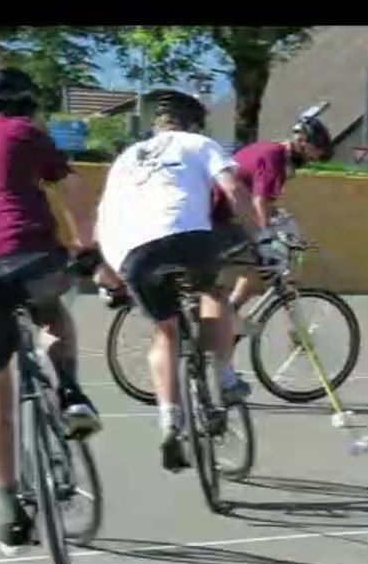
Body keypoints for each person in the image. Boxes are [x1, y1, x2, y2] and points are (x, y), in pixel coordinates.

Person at [95, 90, 281, 473]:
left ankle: (169, 421)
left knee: (165, 333)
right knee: (213, 291)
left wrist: (109, 278)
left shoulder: (126, 159)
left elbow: (104, 221)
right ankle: (226, 376)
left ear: (157, 125)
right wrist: (262, 239)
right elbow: (234, 191)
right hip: (186, 238)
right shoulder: (199, 143)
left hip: (133, 253)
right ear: (193, 122)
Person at [0, 67, 102, 555]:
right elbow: (75, 190)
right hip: (31, 253)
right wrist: (87, 247)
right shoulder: (27, 133)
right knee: (53, 312)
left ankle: (10, 510)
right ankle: (69, 391)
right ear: (26, 105)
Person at [209, 112, 334, 327]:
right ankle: (226, 317)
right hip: (218, 217)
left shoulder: (272, 153)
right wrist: (266, 239)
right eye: (313, 155)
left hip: (223, 214)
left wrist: (283, 222)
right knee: (265, 262)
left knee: (261, 265)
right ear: (302, 142)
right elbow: (259, 204)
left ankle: (227, 314)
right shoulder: (274, 157)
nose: (312, 161)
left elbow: (264, 205)